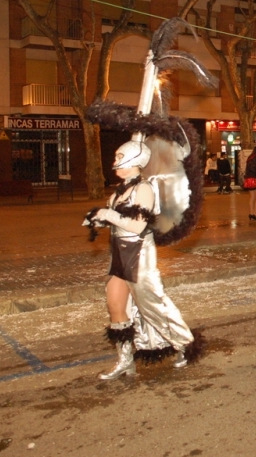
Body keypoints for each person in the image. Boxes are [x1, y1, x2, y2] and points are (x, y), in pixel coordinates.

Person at [84, 140, 198, 380]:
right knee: (115, 305)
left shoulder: (144, 189)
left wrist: (110, 215)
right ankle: (125, 361)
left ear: (134, 160)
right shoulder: (120, 189)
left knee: (152, 304)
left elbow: (137, 226)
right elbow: (119, 221)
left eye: (119, 156)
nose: (114, 161)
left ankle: (185, 344)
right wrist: (98, 219)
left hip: (139, 254)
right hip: (119, 252)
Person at [244, 145, 256, 220]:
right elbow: (254, 168)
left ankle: (251, 213)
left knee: (252, 196)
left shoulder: (250, 156)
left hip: (248, 178)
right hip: (254, 178)